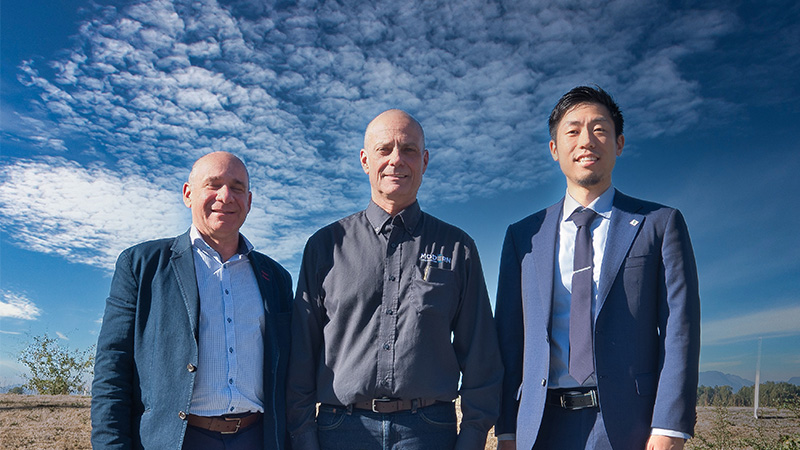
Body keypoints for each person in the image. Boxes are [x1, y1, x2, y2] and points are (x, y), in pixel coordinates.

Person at [494, 86, 701, 450]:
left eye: (600, 129)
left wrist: (669, 426)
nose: (586, 140)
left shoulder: (659, 224)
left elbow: (679, 330)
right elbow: (509, 340)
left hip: (627, 426)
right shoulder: (523, 237)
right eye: (572, 131)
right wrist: (508, 430)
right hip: (540, 425)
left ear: (619, 144)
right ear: (555, 150)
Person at [287, 109, 503, 450]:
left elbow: (480, 352)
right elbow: (300, 352)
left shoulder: (457, 247)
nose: (396, 160)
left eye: (409, 150)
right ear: (364, 160)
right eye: (384, 149)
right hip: (340, 429)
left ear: (425, 161)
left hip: (429, 431)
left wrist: (475, 434)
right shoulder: (324, 246)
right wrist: (302, 435)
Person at [91, 151, 293, 450]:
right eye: (213, 184)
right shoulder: (141, 265)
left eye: (237, 188)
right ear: (188, 194)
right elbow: (112, 370)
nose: (225, 196)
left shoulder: (275, 277)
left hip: (257, 437)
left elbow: (287, 370)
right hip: (175, 439)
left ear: (249, 201)